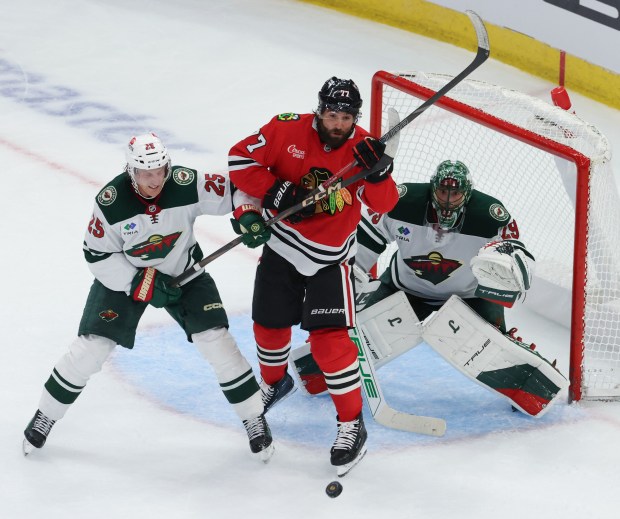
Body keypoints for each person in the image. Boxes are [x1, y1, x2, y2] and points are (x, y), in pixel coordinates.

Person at [23, 133, 274, 461]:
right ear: (131, 172)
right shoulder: (111, 202)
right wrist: (139, 283)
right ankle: (46, 415)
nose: (155, 180)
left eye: (159, 171)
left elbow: (238, 188)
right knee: (91, 348)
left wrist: (247, 214)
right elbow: (96, 255)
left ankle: (255, 418)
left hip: (185, 272)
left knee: (216, 340)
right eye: (145, 173)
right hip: (126, 279)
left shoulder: (185, 183)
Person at [228, 76, 399, 474]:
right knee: (268, 327)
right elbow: (239, 161)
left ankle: (350, 425)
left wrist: (377, 175)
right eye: (332, 114)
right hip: (282, 246)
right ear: (319, 110)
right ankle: (274, 382)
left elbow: (385, 204)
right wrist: (275, 191)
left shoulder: (365, 148)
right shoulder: (285, 128)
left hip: (330, 260)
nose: (338, 124)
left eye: (346, 117)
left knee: (330, 344)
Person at [356, 159, 534, 332]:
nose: (448, 201)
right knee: (360, 329)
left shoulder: (490, 218)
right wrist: (351, 277)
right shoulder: (401, 201)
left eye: (455, 194)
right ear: (432, 188)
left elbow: (513, 262)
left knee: (494, 347)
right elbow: (366, 239)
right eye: (442, 191)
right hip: (404, 287)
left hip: (469, 297)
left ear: (468, 194)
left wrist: (502, 281)